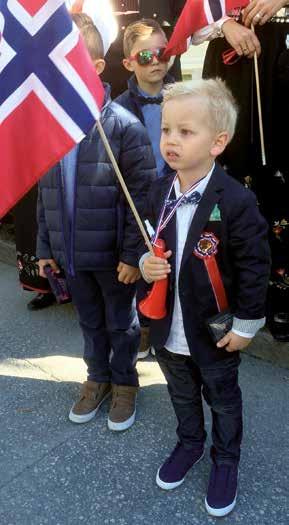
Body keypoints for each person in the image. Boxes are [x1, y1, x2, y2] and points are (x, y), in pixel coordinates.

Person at [139, 79, 270, 516]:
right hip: (167, 326)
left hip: (214, 330)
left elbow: (254, 265)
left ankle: (225, 459)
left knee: (223, 397)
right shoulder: (158, 193)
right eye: (166, 130)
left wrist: (247, 324)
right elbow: (144, 245)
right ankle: (190, 442)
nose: (170, 140)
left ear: (218, 142)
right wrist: (144, 265)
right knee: (180, 393)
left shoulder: (236, 200)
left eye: (185, 131)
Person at [37, 13, 156, 431]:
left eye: (75, 61)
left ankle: (125, 383)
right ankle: (97, 377)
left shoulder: (124, 127)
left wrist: (131, 254)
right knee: (89, 321)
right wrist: (45, 248)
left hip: (113, 257)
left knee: (121, 323)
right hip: (72, 252)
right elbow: (45, 194)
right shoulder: (52, 126)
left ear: (99, 67)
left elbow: (142, 200)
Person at [115, 18, 174, 359]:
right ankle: (143, 326)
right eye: (146, 56)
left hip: (174, 190)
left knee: (171, 258)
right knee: (140, 260)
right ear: (128, 63)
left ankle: (168, 325)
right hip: (137, 196)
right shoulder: (120, 108)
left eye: (163, 53)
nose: (157, 61)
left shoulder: (182, 97)